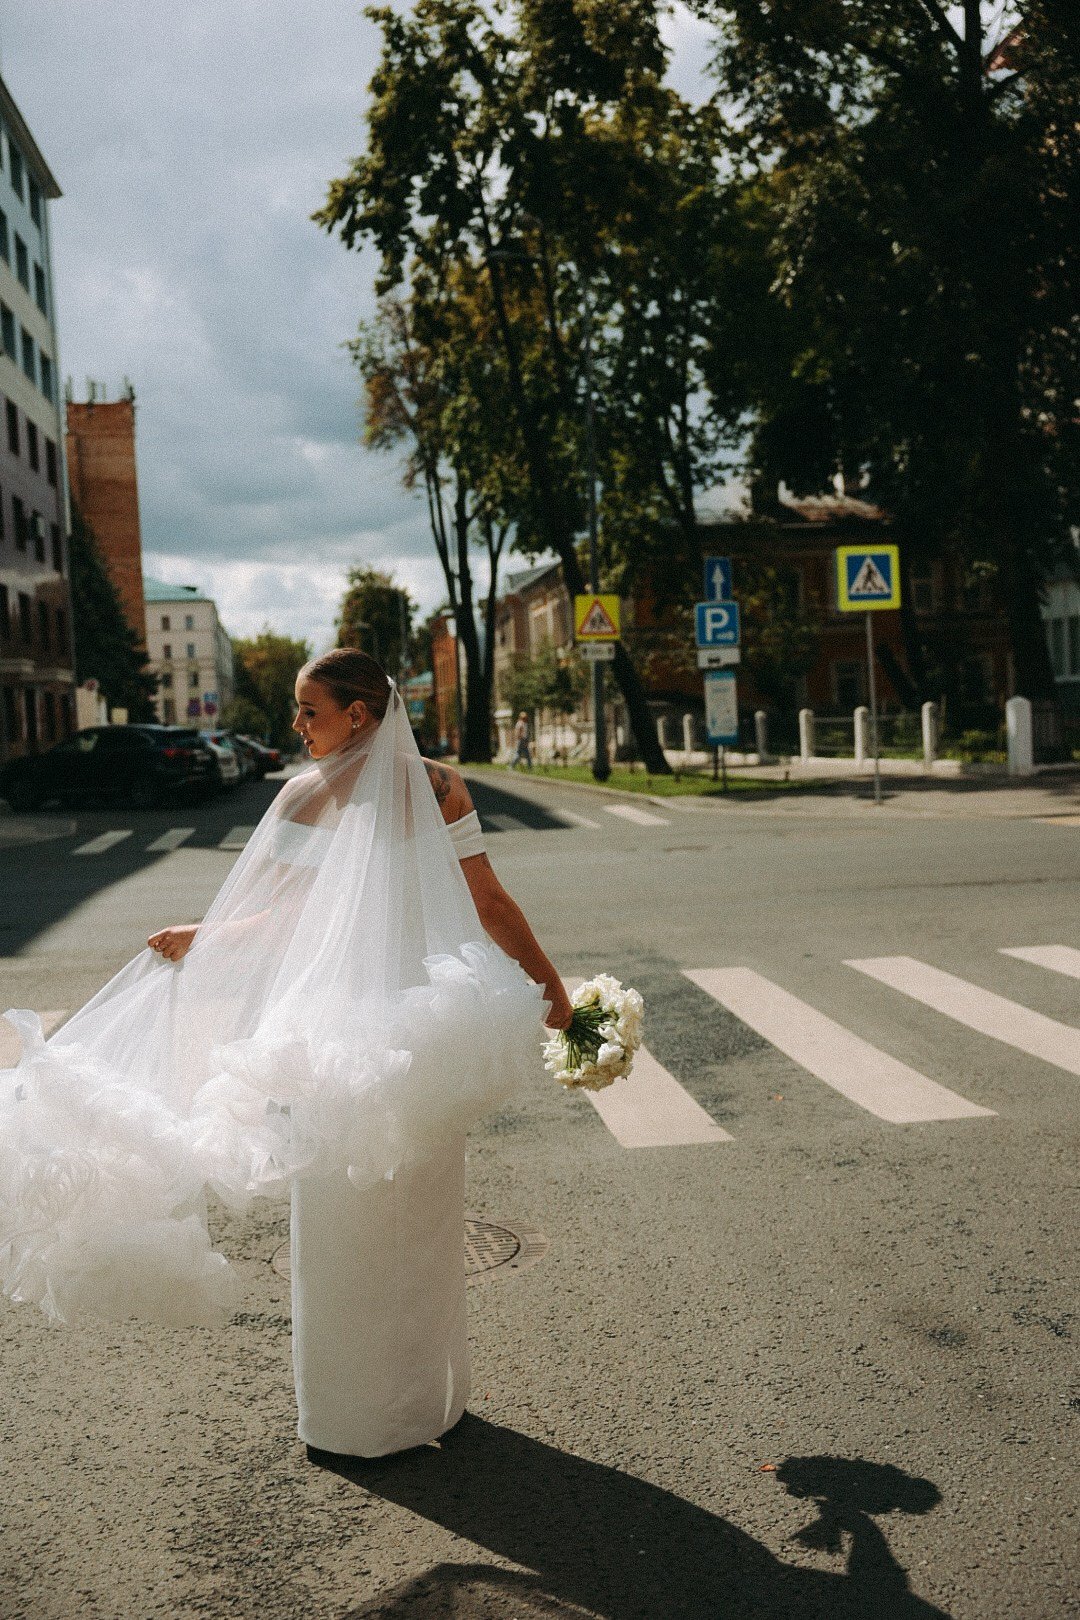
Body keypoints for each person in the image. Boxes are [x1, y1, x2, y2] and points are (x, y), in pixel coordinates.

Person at [1, 649, 573, 1461]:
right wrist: (555, 997)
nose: (296, 727)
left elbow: (277, 920)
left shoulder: (312, 796)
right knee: (418, 1224)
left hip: (341, 1042)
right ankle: (425, 1403)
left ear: (359, 716)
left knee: (352, 1228)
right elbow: (488, 901)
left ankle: (358, 1417)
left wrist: (206, 936)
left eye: (309, 711)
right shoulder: (440, 784)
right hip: (433, 1032)